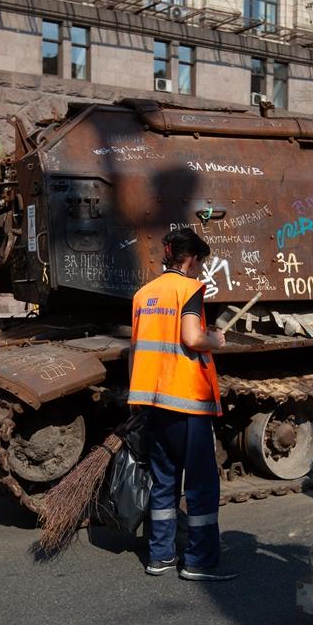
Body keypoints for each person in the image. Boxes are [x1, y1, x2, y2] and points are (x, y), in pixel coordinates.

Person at [128, 228, 235, 582]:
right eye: (199, 263)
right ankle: (199, 562)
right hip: (187, 401)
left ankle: (159, 557)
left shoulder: (144, 294)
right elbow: (191, 337)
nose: (199, 270)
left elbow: (136, 350)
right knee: (201, 485)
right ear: (190, 260)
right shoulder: (188, 289)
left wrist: (137, 396)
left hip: (152, 401)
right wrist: (214, 340)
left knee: (163, 480)